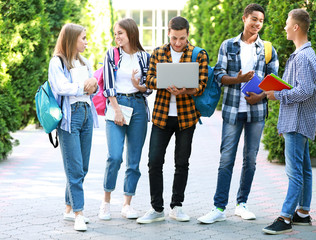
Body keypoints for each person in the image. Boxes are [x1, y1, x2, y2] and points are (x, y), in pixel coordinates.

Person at [198, 3, 279, 224]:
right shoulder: (228, 45)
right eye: (254, 19)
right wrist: (238, 80)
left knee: (250, 160)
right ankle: (218, 207)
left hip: (257, 111)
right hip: (233, 110)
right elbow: (219, 75)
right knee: (226, 159)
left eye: (261, 20)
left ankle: (242, 204)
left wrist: (260, 96)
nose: (257, 24)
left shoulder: (268, 49)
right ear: (244, 19)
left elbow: (273, 81)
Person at [136, 16, 208, 224]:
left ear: (188, 34)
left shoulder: (199, 54)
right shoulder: (158, 53)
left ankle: (177, 206)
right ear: (169, 33)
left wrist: (186, 89)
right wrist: (164, 83)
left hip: (187, 117)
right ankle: (156, 209)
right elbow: (149, 79)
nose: (178, 43)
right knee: (154, 162)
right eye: (175, 38)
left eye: (182, 38)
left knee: (182, 163)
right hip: (161, 115)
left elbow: (202, 84)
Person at [262, 9, 316, 234]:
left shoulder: (303, 57)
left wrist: (278, 95)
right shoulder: (304, 54)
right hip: (297, 121)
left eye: (287, 23)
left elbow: (305, 90)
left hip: (296, 123)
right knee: (304, 169)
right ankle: (302, 213)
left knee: (294, 172)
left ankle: (285, 218)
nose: (285, 27)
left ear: (296, 27)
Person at [98, 18, 152, 220]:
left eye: (120, 33)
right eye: (115, 33)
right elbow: (108, 86)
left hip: (138, 106)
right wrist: (117, 110)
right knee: (114, 157)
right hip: (116, 105)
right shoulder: (111, 54)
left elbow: (149, 88)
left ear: (130, 33)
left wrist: (137, 85)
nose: (117, 37)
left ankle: (127, 204)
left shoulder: (145, 57)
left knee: (134, 160)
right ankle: (106, 202)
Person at [48, 23, 99, 231]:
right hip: (70, 117)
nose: (86, 42)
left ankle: (69, 208)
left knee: (82, 167)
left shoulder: (85, 61)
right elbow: (60, 87)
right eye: (83, 38)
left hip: (86, 114)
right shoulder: (57, 62)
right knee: (75, 168)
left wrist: (93, 84)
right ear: (71, 39)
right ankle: (79, 212)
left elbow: (93, 87)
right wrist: (83, 86)